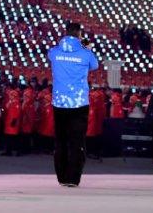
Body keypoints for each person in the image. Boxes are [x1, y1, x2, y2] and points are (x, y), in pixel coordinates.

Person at [48, 22, 99, 187]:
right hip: (78, 103)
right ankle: (73, 178)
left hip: (59, 102)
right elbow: (95, 65)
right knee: (77, 141)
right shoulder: (85, 53)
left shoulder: (54, 52)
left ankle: (61, 177)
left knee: (61, 140)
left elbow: (52, 53)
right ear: (79, 34)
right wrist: (85, 44)